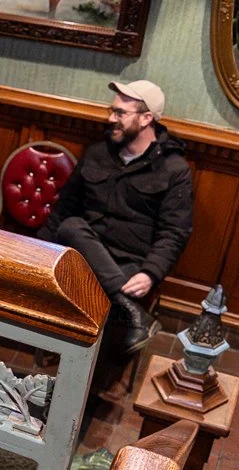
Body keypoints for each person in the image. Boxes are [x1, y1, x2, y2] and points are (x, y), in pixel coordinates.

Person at [36, 80, 193, 355]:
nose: (111, 119)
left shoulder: (173, 169)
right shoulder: (97, 153)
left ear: (146, 118)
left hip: (130, 263)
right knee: (71, 227)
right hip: (85, 252)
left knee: (95, 299)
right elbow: (65, 208)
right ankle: (133, 313)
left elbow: (174, 232)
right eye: (112, 111)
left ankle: (89, 369)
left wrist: (150, 273)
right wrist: (37, 252)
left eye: (120, 113)